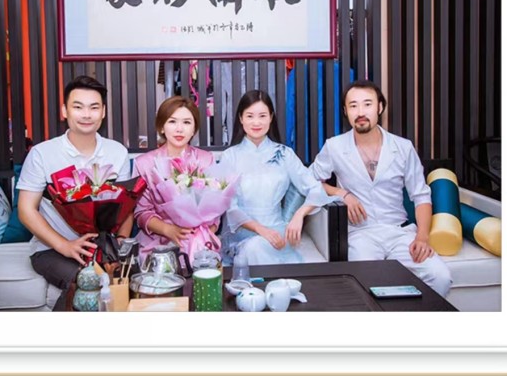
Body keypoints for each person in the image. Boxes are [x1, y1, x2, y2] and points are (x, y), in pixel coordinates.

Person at [309, 80, 452, 297]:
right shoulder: (334, 146)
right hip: (360, 234)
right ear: (346, 111)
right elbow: (308, 181)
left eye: (367, 104)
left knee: (440, 276)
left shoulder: (402, 147)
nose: (360, 112)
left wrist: (422, 237)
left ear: (380, 107)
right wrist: (342, 193)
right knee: (366, 281)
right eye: (353, 105)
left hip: (399, 232)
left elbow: (421, 196)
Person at [17, 75, 132, 310]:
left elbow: (126, 206)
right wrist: (65, 246)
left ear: (103, 112)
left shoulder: (117, 152)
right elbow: (26, 210)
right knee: (87, 281)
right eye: (78, 107)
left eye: (94, 107)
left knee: (131, 281)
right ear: (64, 111)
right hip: (51, 250)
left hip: (103, 247)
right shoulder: (42, 154)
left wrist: (119, 243)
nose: (86, 114)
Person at [219, 90, 333, 266]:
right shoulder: (229, 156)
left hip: (277, 233)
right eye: (250, 116)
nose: (256, 122)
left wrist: (299, 215)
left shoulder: (285, 154)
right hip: (241, 234)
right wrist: (261, 230)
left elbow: (315, 188)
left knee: (257, 247)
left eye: (262, 116)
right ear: (241, 118)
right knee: (254, 247)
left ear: (271, 117)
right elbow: (230, 208)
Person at [133, 96, 216, 260]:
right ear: (162, 127)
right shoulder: (144, 163)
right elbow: (141, 212)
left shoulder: (206, 160)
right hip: (157, 242)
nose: (179, 129)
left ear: (194, 129)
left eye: (186, 122)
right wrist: (168, 230)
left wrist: (200, 235)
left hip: (198, 240)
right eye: (172, 121)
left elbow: (214, 210)